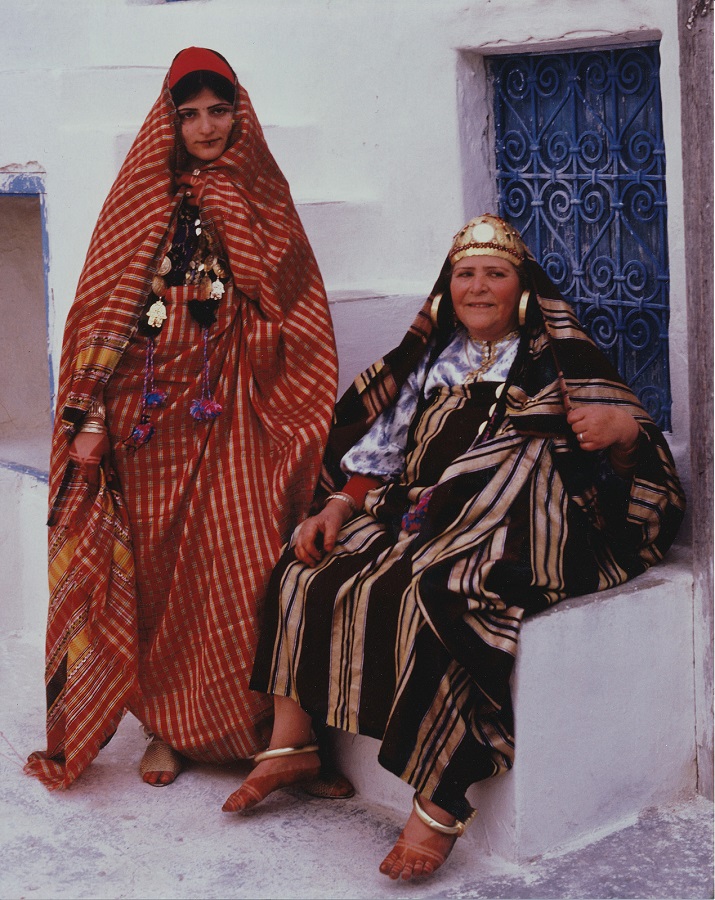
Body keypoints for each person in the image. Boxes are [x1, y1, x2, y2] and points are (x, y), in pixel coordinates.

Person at [221, 214, 686, 880]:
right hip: (415, 513)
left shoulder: (555, 360)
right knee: (306, 566)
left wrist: (619, 429)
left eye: (493, 274)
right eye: (464, 274)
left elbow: (625, 461)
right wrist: (335, 505)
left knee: (450, 592)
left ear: (521, 289)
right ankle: (291, 742)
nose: (476, 286)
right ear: (447, 288)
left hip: (519, 529)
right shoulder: (432, 361)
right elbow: (379, 451)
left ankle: (439, 803)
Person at [25, 47, 340, 791]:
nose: (205, 126)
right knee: (159, 573)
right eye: (188, 112)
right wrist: (88, 412)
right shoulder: (139, 193)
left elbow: (294, 306)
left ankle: (258, 733)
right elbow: (99, 311)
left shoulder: (261, 192)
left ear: (241, 112)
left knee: (245, 562)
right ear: (168, 119)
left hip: (234, 406)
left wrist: (239, 322)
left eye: (218, 109)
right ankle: (165, 730)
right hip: (146, 415)